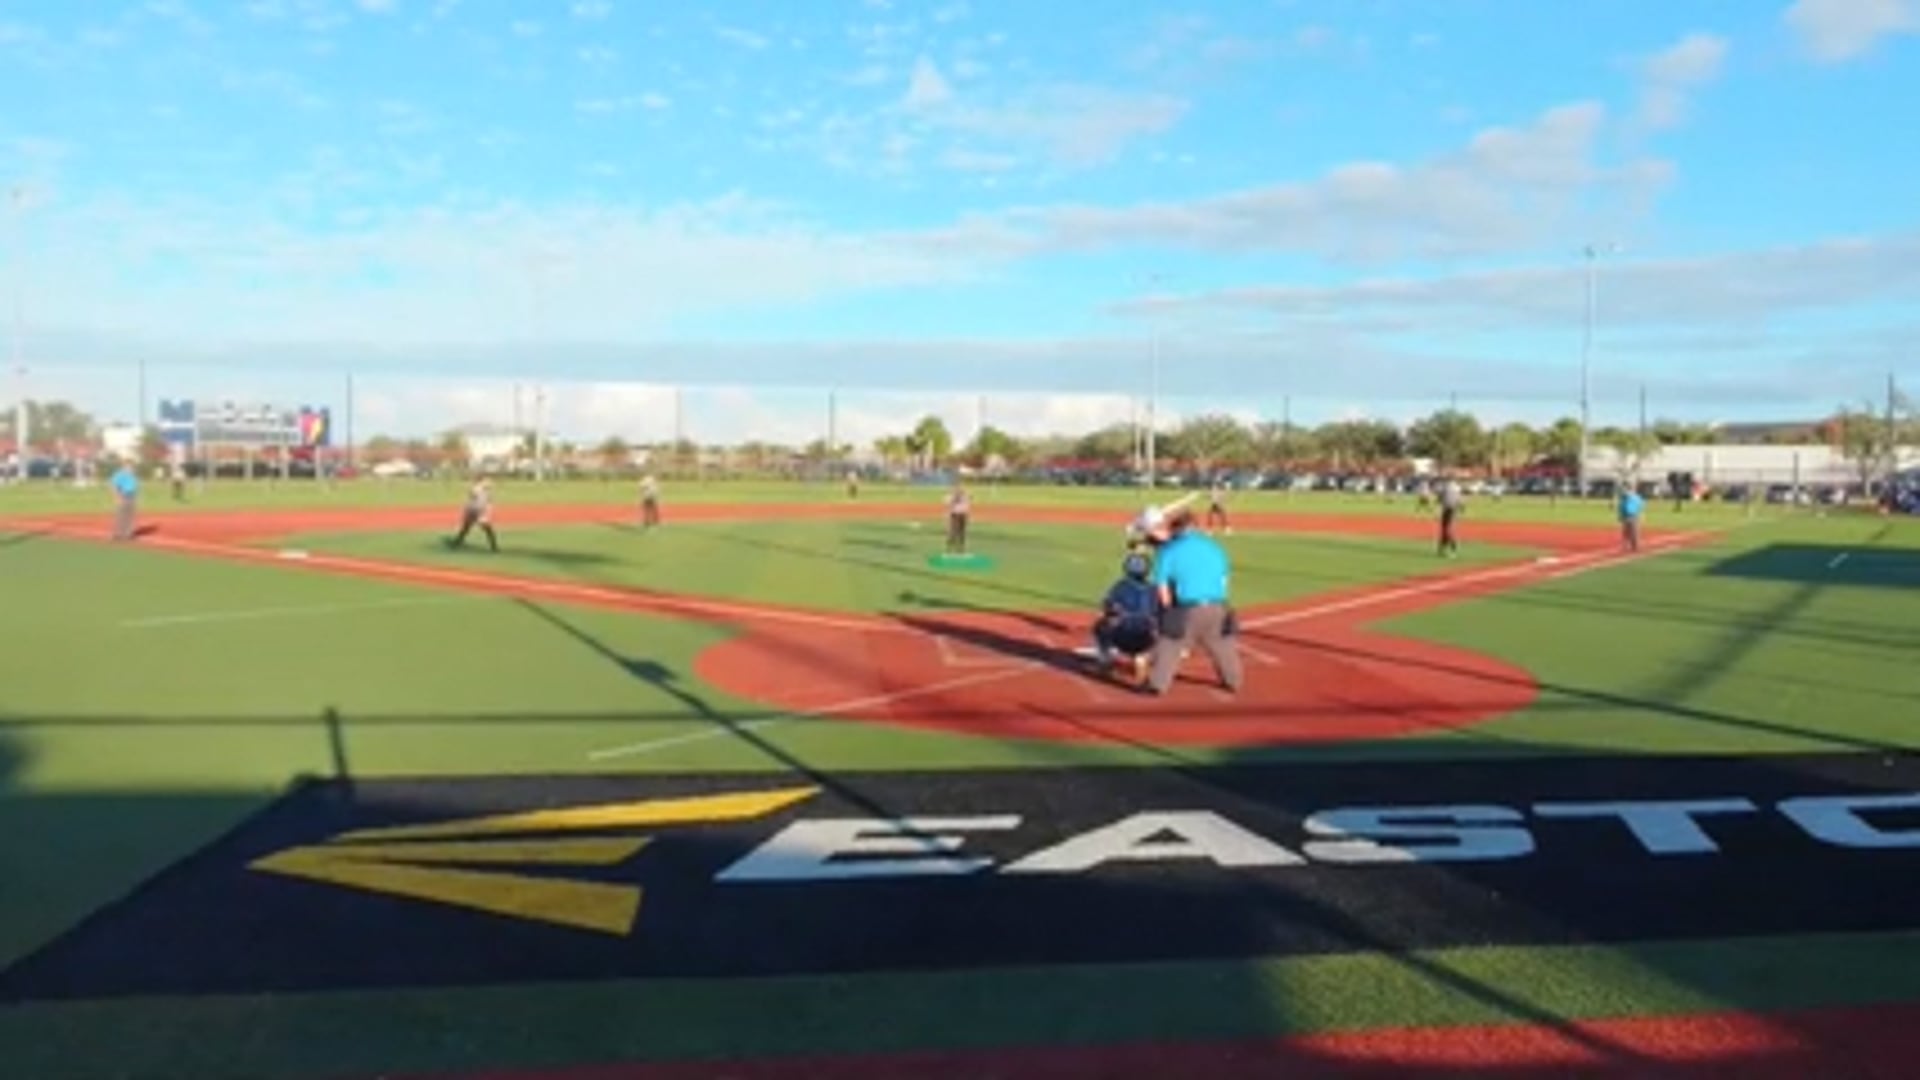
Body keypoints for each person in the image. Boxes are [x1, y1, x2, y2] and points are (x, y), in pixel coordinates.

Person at [1143, 508, 1242, 696]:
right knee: (1223, 645)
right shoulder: (1214, 547)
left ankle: (1157, 684)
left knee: (1170, 644)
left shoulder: (1169, 550)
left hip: (1188, 607)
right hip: (1217, 606)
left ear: (1175, 529)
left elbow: (1162, 587)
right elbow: (1224, 580)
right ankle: (1234, 681)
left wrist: (1168, 612)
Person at [1091, 552, 1162, 685]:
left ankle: (1105, 661)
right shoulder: (1154, 589)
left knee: (1100, 626)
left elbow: (1107, 607)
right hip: (1145, 640)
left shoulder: (1121, 586)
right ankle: (1141, 659)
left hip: (1121, 638)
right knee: (1158, 629)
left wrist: (1117, 615)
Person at [449, 477, 498, 552]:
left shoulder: (486, 491)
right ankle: (457, 543)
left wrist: (488, 510)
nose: (489, 483)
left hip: (478, 511)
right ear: (481, 482)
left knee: (486, 528)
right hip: (473, 511)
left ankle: (494, 546)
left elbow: (489, 501)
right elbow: (473, 494)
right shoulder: (477, 488)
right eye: (486, 481)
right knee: (467, 528)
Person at [110, 459, 139, 541]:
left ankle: (128, 534)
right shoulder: (120, 475)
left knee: (130, 515)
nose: (131, 468)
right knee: (121, 515)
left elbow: (134, 487)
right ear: (124, 466)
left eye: (132, 467)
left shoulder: (133, 476)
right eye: (129, 466)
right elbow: (114, 486)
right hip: (123, 495)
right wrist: (117, 497)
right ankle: (118, 533)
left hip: (132, 496)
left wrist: (136, 497)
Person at [1437, 478, 1464, 558]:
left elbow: (1440, 499)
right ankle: (1443, 549)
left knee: (1447, 530)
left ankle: (1452, 549)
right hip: (1449, 510)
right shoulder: (1456, 488)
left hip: (1449, 510)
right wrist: (1461, 507)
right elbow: (1460, 500)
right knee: (1445, 530)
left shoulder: (1446, 488)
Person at [945, 481, 970, 554]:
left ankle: (961, 546)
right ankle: (950, 545)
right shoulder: (951, 496)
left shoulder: (965, 496)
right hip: (955, 514)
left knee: (962, 531)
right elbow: (948, 503)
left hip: (963, 514)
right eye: (957, 488)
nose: (959, 489)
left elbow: (967, 504)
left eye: (960, 488)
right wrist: (955, 498)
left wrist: (967, 513)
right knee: (953, 530)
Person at [1618, 483, 1645, 552]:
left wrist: (1641, 515)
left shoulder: (1635, 497)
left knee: (1634, 532)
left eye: (1625, 489)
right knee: (1625, 532)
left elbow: (1641, 507)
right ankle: (1626, 546)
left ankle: (1635, 546)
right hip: (1626, 516)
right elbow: (1621, 507)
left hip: (1634, 516)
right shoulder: (1623, 499)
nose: (1624, 491)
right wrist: (1620, 515)